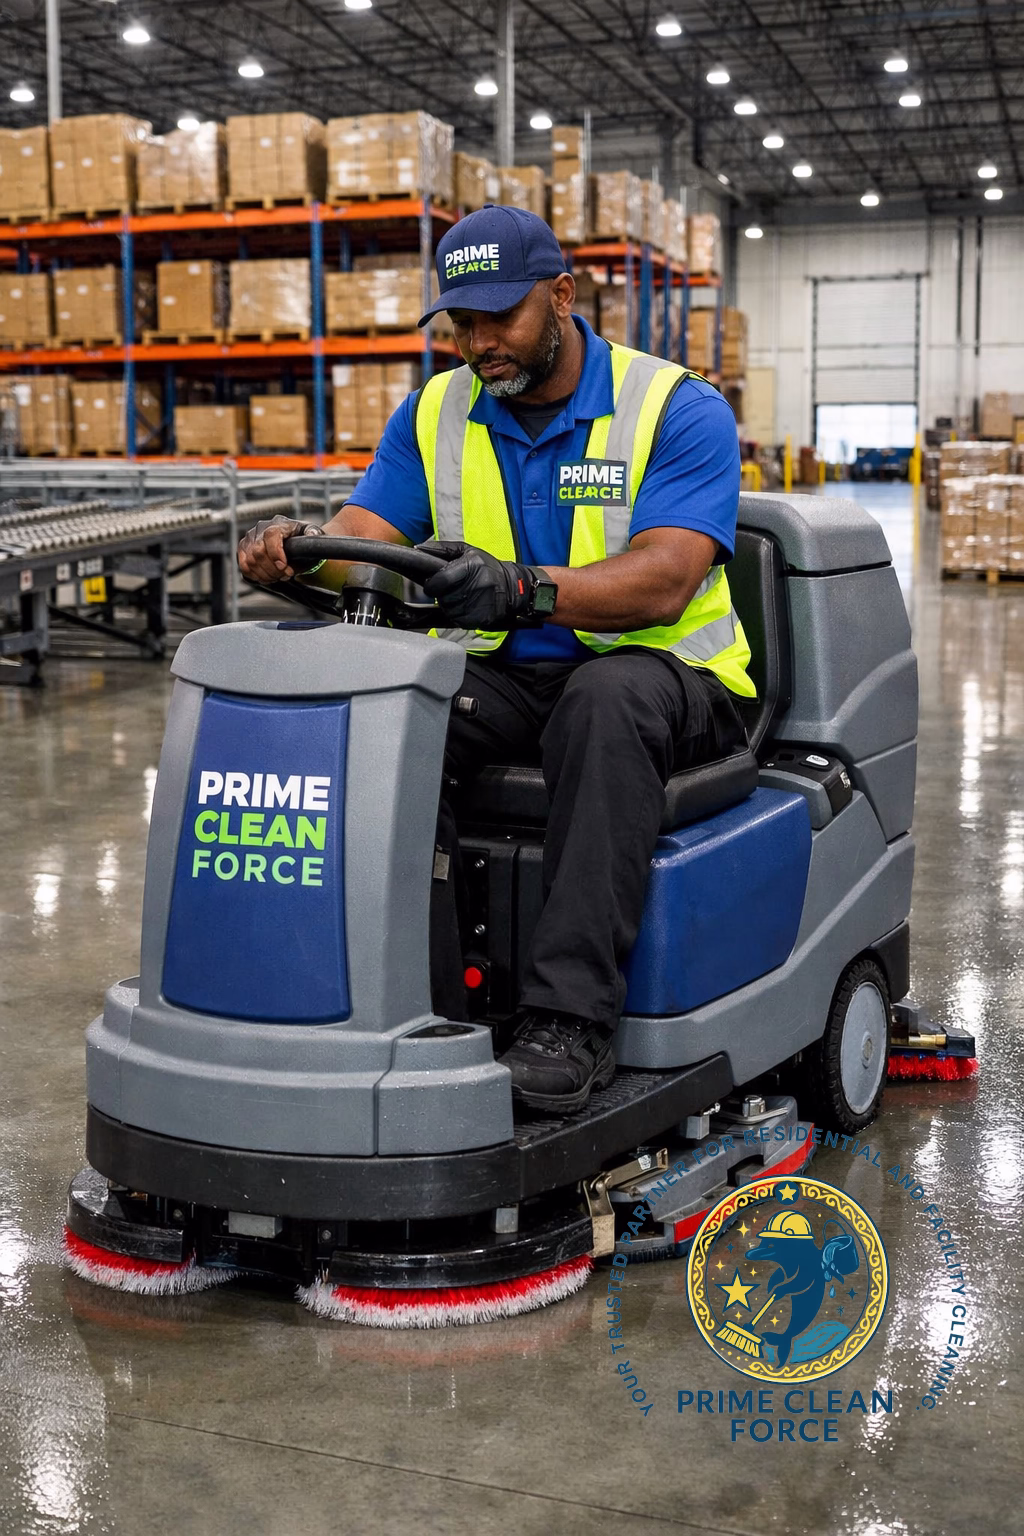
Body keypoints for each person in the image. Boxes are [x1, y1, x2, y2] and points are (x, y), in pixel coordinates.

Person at [238, 203, 754, 1114]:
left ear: (561, 296)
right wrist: (303, 545)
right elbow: (369, 528)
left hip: (671, 678)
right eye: (461, 322)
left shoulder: (676, 406)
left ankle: (570, 1019)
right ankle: (419, 1000)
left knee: (604, 700)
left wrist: (522, 589)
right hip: (512, 676)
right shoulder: (438, 409)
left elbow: (666, 580)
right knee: (393, 712)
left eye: (499, 317)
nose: (479, 343)